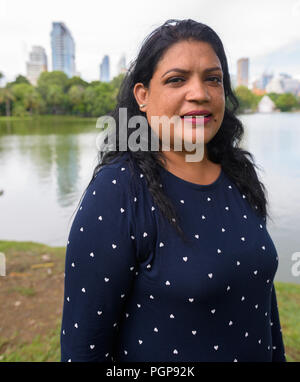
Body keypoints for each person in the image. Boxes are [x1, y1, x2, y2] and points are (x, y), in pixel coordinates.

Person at [60, 19, 286, 362]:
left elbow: (264, 309)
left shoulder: (241, 175)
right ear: (143, 97)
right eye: (177, 80)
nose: (200, 93)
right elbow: (84, 349)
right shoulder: (118, 191)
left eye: (213, 78)